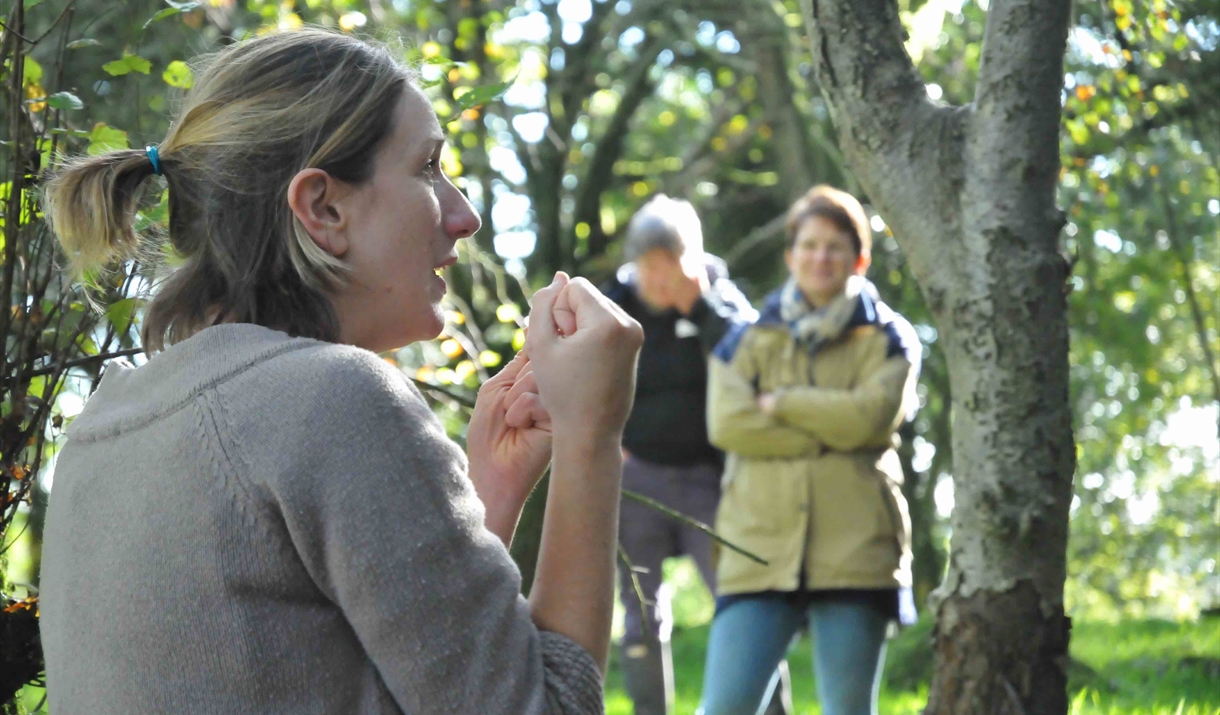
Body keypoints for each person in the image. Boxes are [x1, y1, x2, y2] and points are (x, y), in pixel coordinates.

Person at [37, 29, 643, 714]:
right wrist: (593, 433)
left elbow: (320, 670)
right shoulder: (336, 399)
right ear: (322, 209)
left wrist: (487, 497)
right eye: (428, 167)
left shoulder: (101, 425)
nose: (463, 215)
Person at [698, 185, 921, 715]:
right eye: (810, 244)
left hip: (857, 549)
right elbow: (728, 424)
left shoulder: (892, 338)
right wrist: (835, 430)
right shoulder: (745, 339)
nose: (821, 257)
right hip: (757, 546)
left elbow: (871, 418)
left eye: (835, 247)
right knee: (723, 708)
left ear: (859, 258)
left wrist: (783, 402)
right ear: (790, 254)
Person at [602, 196, 791, 715]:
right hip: (635, 476)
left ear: (694, 261)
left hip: (711, 479)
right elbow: (573, 375)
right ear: (636, 264)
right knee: (641, 609)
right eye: (651, 271)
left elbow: (759, 364)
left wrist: (701, 308)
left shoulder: (722, 301)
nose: (660, 285)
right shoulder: (611, 304)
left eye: (672, 271)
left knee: (744, 604)